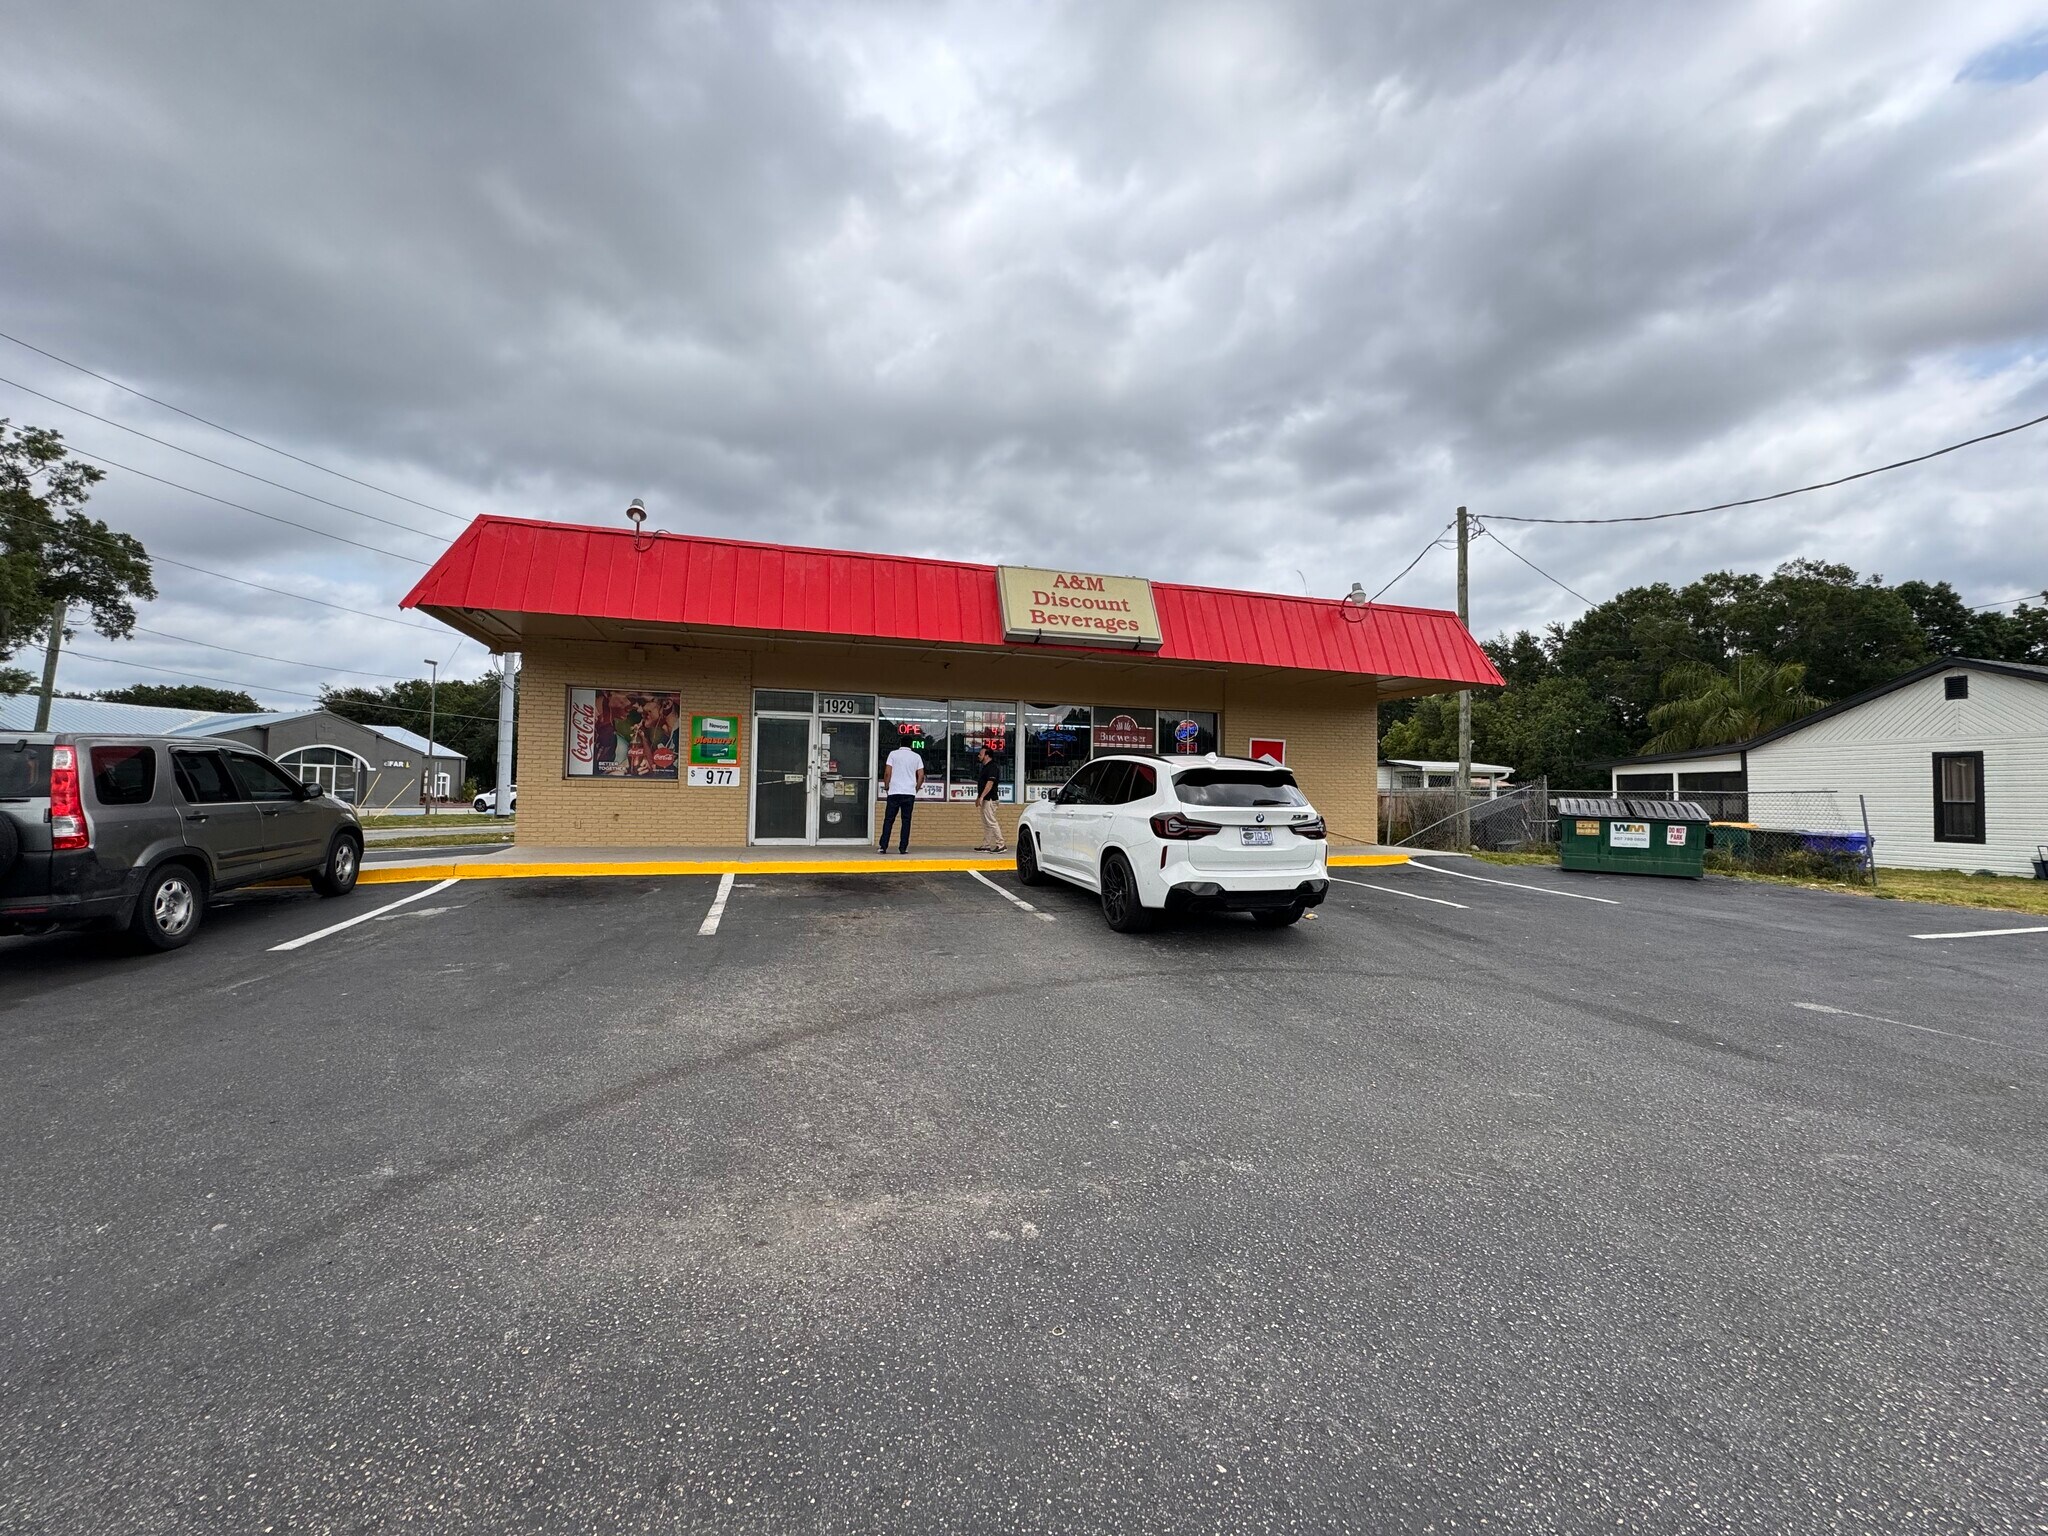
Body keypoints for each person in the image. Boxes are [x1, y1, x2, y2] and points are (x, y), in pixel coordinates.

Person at [878, 736, 925, 853]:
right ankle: (903, 847)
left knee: (889, 819)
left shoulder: (893, 754)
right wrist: (916, 788)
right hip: (909, 792)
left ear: (900, 743)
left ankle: (883, 846)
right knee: (906, 820)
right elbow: (921, 775)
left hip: (894, 791)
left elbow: (887, 773)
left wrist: (887, 786)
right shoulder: (916, 757)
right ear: (911, 745)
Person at [973, 744, 1005, 852]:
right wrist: (979, 797)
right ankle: (986, 845)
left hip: (990, 799)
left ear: (987, 755)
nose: (979, 755)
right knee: (986, 823)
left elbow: (989, 784)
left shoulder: (992, 767)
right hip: (985, 799)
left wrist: (981, 797)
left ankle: (1001, 844)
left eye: (981, 754)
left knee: (991, 822)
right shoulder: (985, 767)